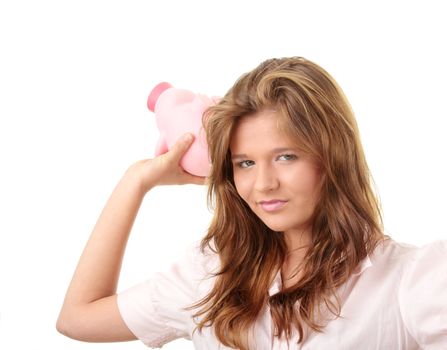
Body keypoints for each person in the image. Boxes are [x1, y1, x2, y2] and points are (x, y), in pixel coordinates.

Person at [56, 57, 447, 349]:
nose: (263, 184)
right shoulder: (209, 276)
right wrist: (136, 181)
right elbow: (78, 318)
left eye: (286, 157)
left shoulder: (410, 281)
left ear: (333, 158)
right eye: (245, 162)